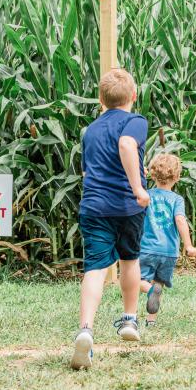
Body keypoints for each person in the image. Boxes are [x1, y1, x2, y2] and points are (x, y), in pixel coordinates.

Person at [71, 68, 149, 370]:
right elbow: (127, 145)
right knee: (130, 259)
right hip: (127, 207)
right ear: (133, 96)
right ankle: (130, 319)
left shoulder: (90, 130)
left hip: (94, 207)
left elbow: (87, 172)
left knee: (94, 269)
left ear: (100, 100)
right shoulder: (135, 121)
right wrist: (138, 188)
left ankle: (86, 329)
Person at [139, 153, 196, 325]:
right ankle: (151, 321)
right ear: (177, 177)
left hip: (148, 248)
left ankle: (149, 290)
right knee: (159, 283)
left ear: (152, 175)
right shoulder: (177, 199)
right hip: (169, 252)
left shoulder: (146, 196)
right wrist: (188, 245)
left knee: (137, 280)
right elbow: (180, 220)